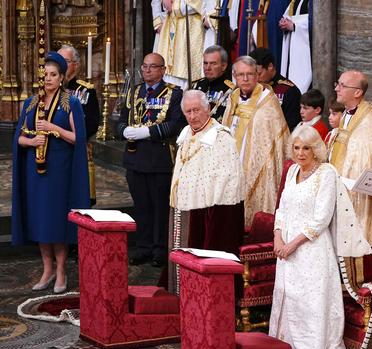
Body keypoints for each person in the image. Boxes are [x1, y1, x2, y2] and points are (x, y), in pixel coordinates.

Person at [269, 124, 349, 349]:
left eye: (306, 148)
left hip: (311, 250)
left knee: (308, 304)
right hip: (286, 250)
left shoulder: (327, 173)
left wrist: (292, 244)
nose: (300, 153)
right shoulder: (293, 170)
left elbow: (321, 218)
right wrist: (278, 237)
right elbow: (281, 208)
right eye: (296, 148)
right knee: (288, 297)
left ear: (316, 149)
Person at [12, 51, 90, 294]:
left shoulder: (71, 102)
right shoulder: (31, 102)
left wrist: (54, 128)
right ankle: (47, 270)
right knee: (40, 221)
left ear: (62, 77)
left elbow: (78, 138)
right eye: (45, 74)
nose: (47, 79)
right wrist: (31, 141)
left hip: (59, 172)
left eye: (53, 75)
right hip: (35, 171)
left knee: (56, 221)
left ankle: (61, 271)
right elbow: (19, 138)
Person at [167, 89, 244, 291]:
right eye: (188, 112)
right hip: (183, 207)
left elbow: (226, 180)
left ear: (208, 109)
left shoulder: (221, 138)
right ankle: (178, 292)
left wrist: (210, 212)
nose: (192, 116)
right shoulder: (187, 133)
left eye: (196, 110)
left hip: (207, 213)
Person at [116, 53, 185, 267]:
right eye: (145, 67)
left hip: (159, 160)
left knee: (160, 207)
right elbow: (119, 121)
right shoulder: (134, 91)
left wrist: (147, 133)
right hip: (135, 159)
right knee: (142, 206)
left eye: (153, 67)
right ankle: (143, 247)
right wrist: (124, 130)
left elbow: (175, 124)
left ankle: (159, 250)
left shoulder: (174, 94)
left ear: (163, 70)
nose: (147, 71)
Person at [221, 56, 289, 226]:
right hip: (232, 160)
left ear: (257, 75)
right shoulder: (233, 96)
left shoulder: (267, 100)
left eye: (250, 74)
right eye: (240, 75)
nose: (245, 79)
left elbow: (272, 137)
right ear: (234, 76)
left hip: (256, 164)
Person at [330, 70, 372, 244]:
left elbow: (363, 160)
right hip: (337, 183)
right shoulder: (347, 113)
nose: (337, 89)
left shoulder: (369, 120)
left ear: (357, 92)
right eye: (337, 84)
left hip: (354, 193)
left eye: (342, 85)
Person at [58, 44, 100, 206]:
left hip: (77, 149)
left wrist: (72, 136)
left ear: (75, 65)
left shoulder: (86, 90)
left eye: (65, 61)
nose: (60, 64)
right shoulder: (47, 89)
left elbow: (92, 122)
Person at [249, 47, 301, 131]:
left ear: (270, 66)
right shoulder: (251, 88)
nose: (256, 79)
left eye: (259, 74)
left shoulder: (288, 91)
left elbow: (292, 126)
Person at [155, 0, 205, 89]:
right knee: (168, 70)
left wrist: (175, 6)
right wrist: (157, 21)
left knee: (184, 67)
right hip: (169, 23)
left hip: (190, 24)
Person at [191, 45, 233, 120]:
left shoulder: (231, 90)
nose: (208, 68)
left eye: (213, 64)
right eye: (205, 63)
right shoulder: (196, 86)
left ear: (224, 66)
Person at [278, 0, 311, 93]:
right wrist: (283, 22)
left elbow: (318, 23)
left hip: (305, 48)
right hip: (293, 45)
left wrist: (295, 26)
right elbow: (287, 15)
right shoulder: (295, 1)